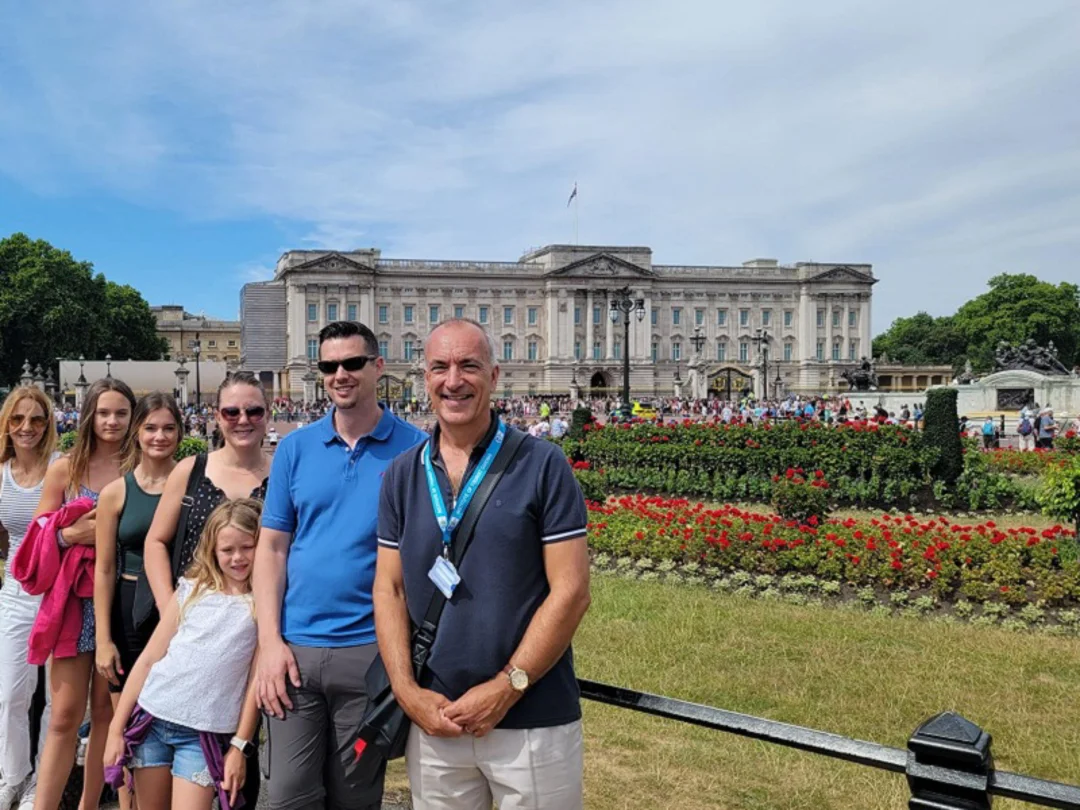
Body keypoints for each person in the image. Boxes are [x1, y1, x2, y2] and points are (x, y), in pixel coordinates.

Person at [374, 318, 591, 809]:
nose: (454, 380)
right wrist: (407, 692)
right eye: (440, 367)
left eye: (468, 366)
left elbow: (572, 591)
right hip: (436, 718)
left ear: (494, 377)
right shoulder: (400, 474)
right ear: (423, 379)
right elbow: (389, 590)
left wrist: (506, 687)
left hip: (531, 715)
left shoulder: (543, 465)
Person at [253, 321, 425, 810]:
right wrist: (269, 642)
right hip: (296, 649)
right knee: (288, 795)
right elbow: (272, 549)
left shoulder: (415, 449)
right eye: (328, 366)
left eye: (352, 363)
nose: (340, 375)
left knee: (355, 796)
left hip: (371, 650)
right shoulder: (295, 447)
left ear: (378, 367)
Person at [142, 372, 272, 807]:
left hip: (249, 637)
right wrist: (169, 610)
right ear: (216, 416)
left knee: (240, 776)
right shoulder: (191, 469)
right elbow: (156, 541)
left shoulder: (283, 472)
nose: (243, 420)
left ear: (267, 414)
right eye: (232, 411)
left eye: (253, 410)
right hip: (189, 631)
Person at [104, 499, 262, 810]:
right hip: (153, 718)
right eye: (227, 550)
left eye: (247, 547)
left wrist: (239, 746)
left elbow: (255, 682)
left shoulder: (261, 604)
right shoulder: (192, 589)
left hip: (202, 735)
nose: (238, 558)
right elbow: (149, 659)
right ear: (212, 550)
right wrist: (114, 730)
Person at [31, 378, 136, 810]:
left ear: (133, 418)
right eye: (104, 413)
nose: (112, 422)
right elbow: (38, 536)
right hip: (75, 603)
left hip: (123, 603)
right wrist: (70, 533)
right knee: (63, 716)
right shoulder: (65, 467)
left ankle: (89, 805)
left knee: (109, 716)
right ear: (89, 413)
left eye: (121, 413)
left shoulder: (142, 463)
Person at [93, 393, 182, 810]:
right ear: (137, 432)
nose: (159, 436)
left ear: (180, 433)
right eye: (150, 427)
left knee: (169, 720)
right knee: (125, 724)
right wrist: (104, 638)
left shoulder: (191, 487)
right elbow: (105, 569)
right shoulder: (116, 492)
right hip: (127, 608)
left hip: (173, 610)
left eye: (167, 428)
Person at [0, 388, 60, 810]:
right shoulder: (0, 472)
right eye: (18, 419)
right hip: (17, 591)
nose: (27, 428)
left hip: (60, 592)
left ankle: (43, 780)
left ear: (48, 423)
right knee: (9, 694)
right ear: (6, 424)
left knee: (57, 699)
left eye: (37, 419)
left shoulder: (61, 467)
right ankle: (13, 776)